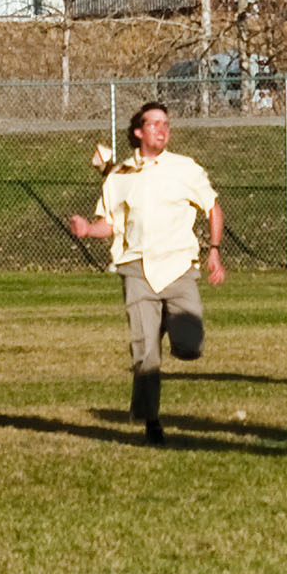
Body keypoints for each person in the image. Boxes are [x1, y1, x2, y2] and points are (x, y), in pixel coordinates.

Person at [65, 103, 227, 445]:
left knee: (190, 347)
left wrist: (214, 250)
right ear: (138, 131)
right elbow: (109, 223)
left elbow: (213, 207)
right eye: (153, 124)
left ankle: (165, 322)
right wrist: (87, 229)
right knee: (145, 354)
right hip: (137, 269)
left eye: (165, 123)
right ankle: (151, 420)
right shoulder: (119, 176)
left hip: (179, 267)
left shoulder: (185, 168)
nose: (161, 129)